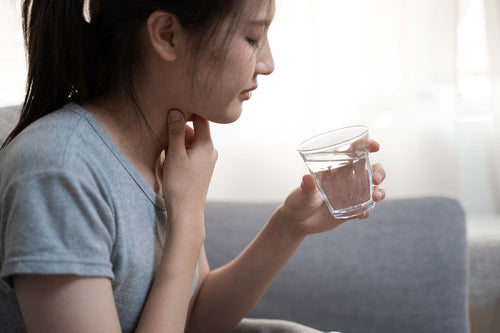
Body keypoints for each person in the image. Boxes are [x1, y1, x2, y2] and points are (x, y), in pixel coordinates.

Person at [0, 0, 386, 332]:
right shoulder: (59, 172)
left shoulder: (167, 155)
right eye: (252, 38)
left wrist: (288, 227)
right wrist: (186, 225)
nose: (268, 63)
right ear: (167, 34)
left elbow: (195, 318)